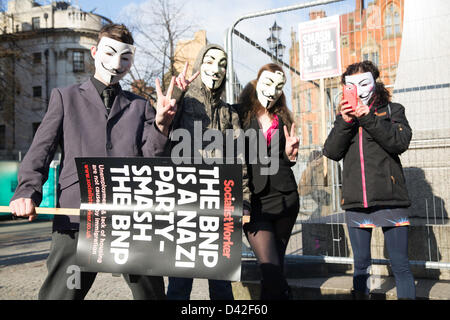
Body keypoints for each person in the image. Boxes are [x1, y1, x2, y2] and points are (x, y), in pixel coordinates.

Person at [8, 23, 177, 300]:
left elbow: (151, 162)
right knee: (61, 296)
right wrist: (27, 190)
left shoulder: (141, 105)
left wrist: (160, 126)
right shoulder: (66, 97)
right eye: (110, 53)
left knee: (152, 296)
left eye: (125, 57)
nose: (117, 63)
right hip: (77, 218)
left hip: (130, 220)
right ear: (94, 52)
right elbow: (42, 148)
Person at [323, 60, 416, 299]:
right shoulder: (344, 118)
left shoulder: (393, 110)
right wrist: (345, 121)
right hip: (356, 202)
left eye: (364, 83)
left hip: (391, 199)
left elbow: (399, 142)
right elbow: (332, 152)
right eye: (352, 85)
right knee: (361, 265)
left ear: (375, 82)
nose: (360, 90)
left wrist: (368, 118)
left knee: (400, 265)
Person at [166, 44, 251, 300]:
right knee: (180, 282)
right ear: (200, 63)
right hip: (184, 204)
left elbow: (240, 161)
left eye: (223, 63)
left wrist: (244, 200)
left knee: (221, 283)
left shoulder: (228, 112)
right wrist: (177, 97)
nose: (217, 68)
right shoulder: (182, 101)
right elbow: (161, 135)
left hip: (220, 204)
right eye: (211, 61)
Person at [237, 63, 300, 300]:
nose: (272, 90)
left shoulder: (282, 118)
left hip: (286, 200)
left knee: (274, 269)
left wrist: (291, 155)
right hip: (254, 203)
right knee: (271, 269)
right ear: (256, 83)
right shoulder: (240, 115)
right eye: (267, 83)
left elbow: (285, 159)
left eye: (279, 87)